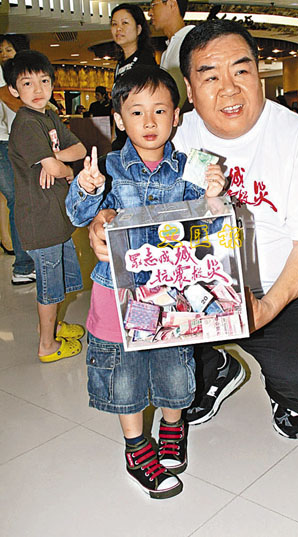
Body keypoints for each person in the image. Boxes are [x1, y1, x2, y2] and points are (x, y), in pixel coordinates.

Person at [88, 20, 298, 440]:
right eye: (210, 77)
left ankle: (286, 395)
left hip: (275, 288)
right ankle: (214, 369)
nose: (229, 89)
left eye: (241, 70)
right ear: (189, 91)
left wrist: (266, 308)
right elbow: (124, 199)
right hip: (188, 288)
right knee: (150, 340)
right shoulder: (169, 134)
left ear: (257, 73)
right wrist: (102, 223)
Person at [65, 65, 225, 499]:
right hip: (117, 290)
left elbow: (208, 231)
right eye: (136, 112)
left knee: (174, 364)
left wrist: (213, 197)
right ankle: (137, 448)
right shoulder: (108, 168)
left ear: (177, 115)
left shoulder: (193, 167)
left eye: (160, 110)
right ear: (119, 119)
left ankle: (172, 428)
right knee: (125, 372)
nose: (149, 121)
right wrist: (87, 188)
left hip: (171, 291)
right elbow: (78, 215)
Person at [4, 50, 87, 362]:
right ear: (14, 90)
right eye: (27, 83)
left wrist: (55, 159)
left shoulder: (48, 116)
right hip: (39, 219)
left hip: (53, 213)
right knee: (50, 286)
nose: (37, 90)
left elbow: (78, 148)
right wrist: (67, 171)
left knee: (60, 279)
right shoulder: (26, 123)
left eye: (44, 81)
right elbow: (56, 169)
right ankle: (47, 345)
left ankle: (52, 326)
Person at [0, 33, 36, 284]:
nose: (4, 54)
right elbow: (9, 99)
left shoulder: (15, 73)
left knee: (18, 201)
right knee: (18, 201)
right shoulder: (5, 78)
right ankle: (23, 267)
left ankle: (25, 263)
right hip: (4, 143)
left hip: (12, 142)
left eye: (9, 50)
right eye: (1, 50)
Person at [110, 3, 156, 151]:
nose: (118, 28)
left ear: (139, 29)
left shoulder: (145, 61)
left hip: (139, 138)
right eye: (114, 24)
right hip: (123, 138)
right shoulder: (120, 64)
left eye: (125, 23)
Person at [149, 0, 195, 110]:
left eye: (153, 5)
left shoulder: (192, 40)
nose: (150, 12)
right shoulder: (167, 51)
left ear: (171, 4)